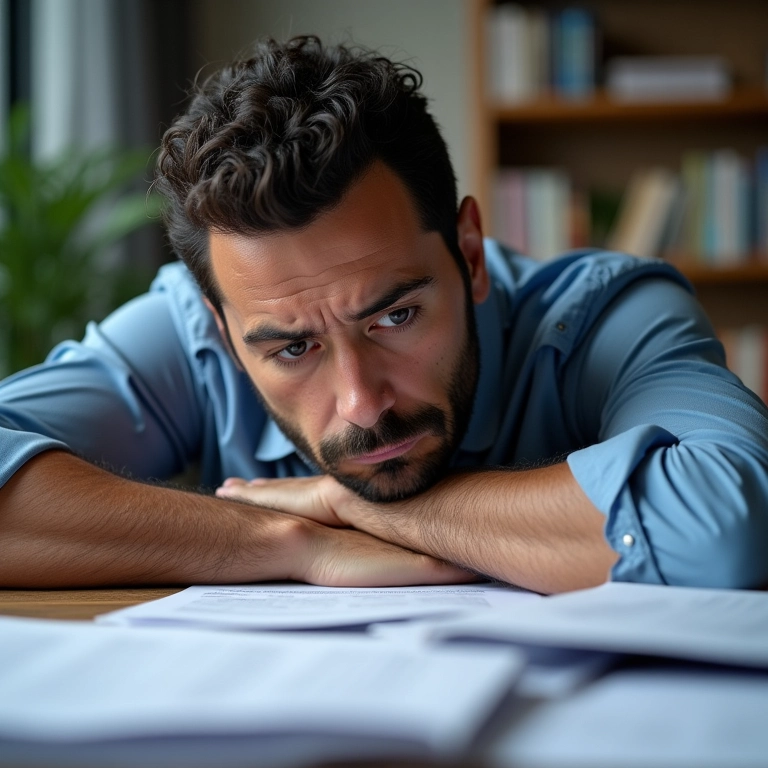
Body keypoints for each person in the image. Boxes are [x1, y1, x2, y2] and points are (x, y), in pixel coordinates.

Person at [1, 37, 766, 593]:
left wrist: (352, 505)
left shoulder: (608, 317)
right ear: (221, 328)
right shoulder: (186, 332)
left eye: (395, 317)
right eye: (292, 349)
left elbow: (729, 528)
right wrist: (284, 538)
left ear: (468, 252)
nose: (362, 403)